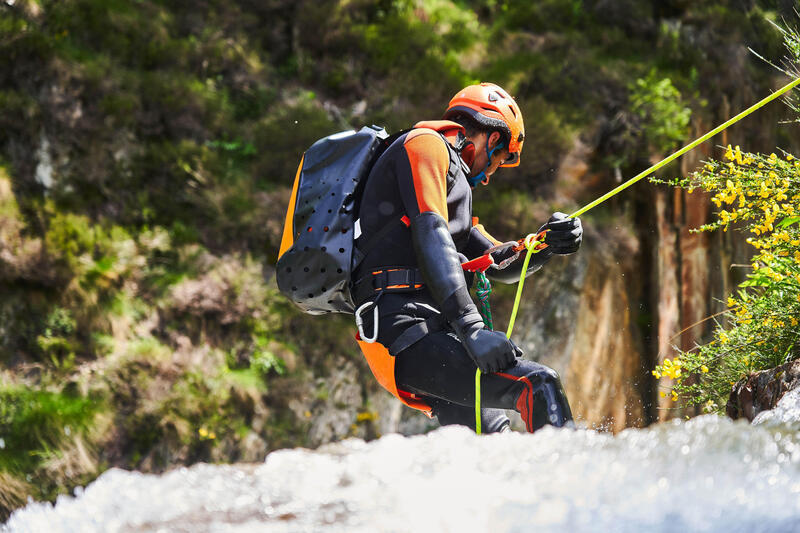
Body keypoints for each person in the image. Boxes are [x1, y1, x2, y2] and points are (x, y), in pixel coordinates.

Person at [352, 83, 582, 433]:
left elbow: (498, 260)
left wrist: (548, 244)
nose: (489, 177)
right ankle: (571, 486)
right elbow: (431, 233)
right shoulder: (425, 144)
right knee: (538, 384)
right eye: (501, 160)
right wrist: (473, 329)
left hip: (422, 333)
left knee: (493, 444)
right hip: (405, 331)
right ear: (492, 140)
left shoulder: (452, 184)